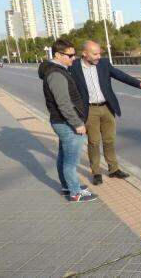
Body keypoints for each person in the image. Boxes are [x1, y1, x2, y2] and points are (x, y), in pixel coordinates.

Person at [70, 40, 141, 185]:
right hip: (89, 110)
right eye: (95, 54)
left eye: (99, 53)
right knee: (94, 142)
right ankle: (96, 171)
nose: (98, 56)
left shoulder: (103, 63)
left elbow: (120, 75)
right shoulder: (74, 67)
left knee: (109, 140)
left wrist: (139, 84)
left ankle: (113, 169)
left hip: (107, 107)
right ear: (84, 54)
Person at [38, 39, 98, 202]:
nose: (73, 58)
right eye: (70, 56)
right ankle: (74, 192)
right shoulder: (56, 74)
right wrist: (77, 124)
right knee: (71, 161)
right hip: (66, 123)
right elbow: (63, 103)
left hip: (62, 122)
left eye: (74, 55)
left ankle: (67, 186)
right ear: (58, 55)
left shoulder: (57, 70)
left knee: (64, 157)